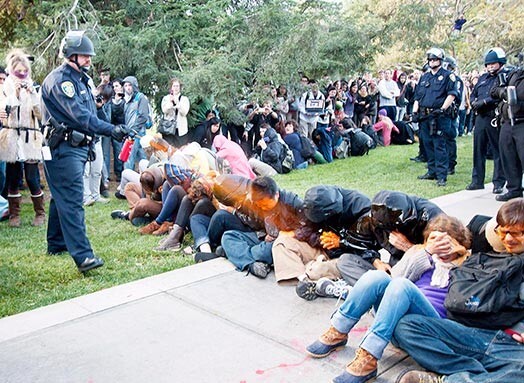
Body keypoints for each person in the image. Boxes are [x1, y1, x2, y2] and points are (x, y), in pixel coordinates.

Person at [306, 215, 471, 383]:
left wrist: (460, 255)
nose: (440, 246)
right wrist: (426, 253)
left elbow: (467, 301)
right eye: (435, 239)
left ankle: (369, 357)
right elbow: (394, 279)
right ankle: (338, 331)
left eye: (446, 241)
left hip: (429, 327)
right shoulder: (420, 253)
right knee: (376, 277)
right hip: (393, 321)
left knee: (402, 286)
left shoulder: (468, 263)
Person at [394, 198, 524, 383]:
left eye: (518, 234)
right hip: (471, 333)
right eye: (504, 232)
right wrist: (463, 255)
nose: (509, 239)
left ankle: (449, 381)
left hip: (512, 345)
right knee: (405, 326)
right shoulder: (489, 255)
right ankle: (475, 373)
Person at [40, 30, 126, 272]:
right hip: (63, 148)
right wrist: (112, 129)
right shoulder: (61, 81)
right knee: (72, 199)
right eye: (84, 55)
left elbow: (91, 110)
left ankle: (56, 243)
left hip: (75, 147)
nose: (89, 59)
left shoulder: (81, 80)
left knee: (61, 196)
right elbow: (81, 117)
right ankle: (84, 256)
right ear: (71, 55)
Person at [0, 49, 44, 227]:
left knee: (32, 178)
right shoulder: (5, 88)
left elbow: (40, 114)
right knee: (12, 177)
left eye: (24, 72)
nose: (22, 76)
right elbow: (4, 112)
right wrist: (15, 94)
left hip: (30, 136)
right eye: (18, 72)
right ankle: (14, 215)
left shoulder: (34, 87)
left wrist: (32, 95)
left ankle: (40, 214)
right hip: (11, 136)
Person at [413, 47, 458, 187]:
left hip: (439, 116)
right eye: (430, 59)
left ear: (440, 60)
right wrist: (415, 112)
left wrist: (442, 109)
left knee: (440, 145)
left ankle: (441, 176)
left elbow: (452, 94)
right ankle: (431, 171)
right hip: (425, 116)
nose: (432, 62)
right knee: (427, 144)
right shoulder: (424, 77)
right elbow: (418, 96)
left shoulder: (447, 76)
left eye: (435, 59)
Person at [466, 48, 507, 194]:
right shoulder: (483, 78)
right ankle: (477, 181)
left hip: (494, 116)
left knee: (498, 151)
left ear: (500, 63)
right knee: (478, 150)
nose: (490, 66)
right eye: (488, 64)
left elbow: (501, 94)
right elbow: (474, 92)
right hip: (480, 117)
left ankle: (498, 183)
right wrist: (473, 101)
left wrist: (484, 102)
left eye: (493, 63)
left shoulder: (504, 76)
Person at [490, 58, 524, 202]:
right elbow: (493, 90)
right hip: (507, 122)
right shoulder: (513, 74)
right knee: (508, 156)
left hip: (522, 122)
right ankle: (514, 189)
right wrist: (502, 92)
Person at [122, 75, 151, 170]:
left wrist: (133, 131)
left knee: (128, 160)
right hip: (131, 134)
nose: (127, 88)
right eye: (125, 86)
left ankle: (127, 182)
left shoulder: (141, 98)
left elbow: (143, 116)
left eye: (129, 85)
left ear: (134, 85)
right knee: (144, 160)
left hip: (137, 134)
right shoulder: (126, 99)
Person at [160, 78, 190, 147]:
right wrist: (170, 103)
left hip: (180, 130)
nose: (176, 88)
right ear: (171, 87)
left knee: (180, 150)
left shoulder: (184, 99)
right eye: (174, 86)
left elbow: (184, 112)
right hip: (168, 129)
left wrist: (177, 103)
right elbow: (164, 110)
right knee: (167, 149)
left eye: (177, 86)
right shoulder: (166, 98)